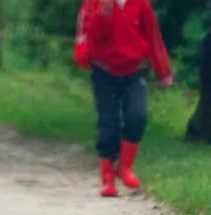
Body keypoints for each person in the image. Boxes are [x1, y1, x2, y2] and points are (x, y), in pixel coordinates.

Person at [73, 0, 173, 197]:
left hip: (133, 70)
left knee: (138, 116)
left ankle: (125, 167)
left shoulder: (141, 4)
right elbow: (88, 36)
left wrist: (163, 71)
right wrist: (104, 14)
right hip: (104, 70)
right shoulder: (94, 3)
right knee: (108, 123)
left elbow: (153, 37)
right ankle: (107, 177)